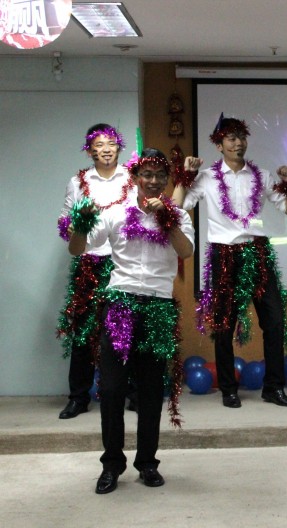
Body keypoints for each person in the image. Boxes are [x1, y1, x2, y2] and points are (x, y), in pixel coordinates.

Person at [67, 148, 194, 494]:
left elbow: (185, 251)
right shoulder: (116, 213)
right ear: (136, 178)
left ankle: (147, 463)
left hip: (158, 307)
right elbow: (77, 249)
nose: (153, 181)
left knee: (151, 392)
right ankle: (111, 464)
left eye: (160, 176)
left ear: (167, 180)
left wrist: (167, 219)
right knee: (111, 389)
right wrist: (81, 222)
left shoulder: (179, 216)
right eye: (147, 175)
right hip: (120, 304)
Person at [173, 115, 287, 409]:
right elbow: (177, 205)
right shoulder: (206, 177)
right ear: (219, 145)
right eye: (231, 138)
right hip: (225, 254)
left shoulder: (261, 175)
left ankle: (273, 388)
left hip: (257, 252)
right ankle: (228, 389)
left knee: (274, 321)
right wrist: (185, 175)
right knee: (224, 325)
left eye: (242, 137)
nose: (238, 143)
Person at [56, 123, 135, 419]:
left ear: (119, 147)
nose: (106, 149)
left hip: (123, 262)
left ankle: (133, 393)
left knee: (127, 330)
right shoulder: (78, 182)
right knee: (84, 332)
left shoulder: (131, 178)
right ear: (89, 150)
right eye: (99, 145)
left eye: (111, 143)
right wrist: (73, 226)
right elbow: (65, 219)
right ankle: (78, 397)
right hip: (89, 262)